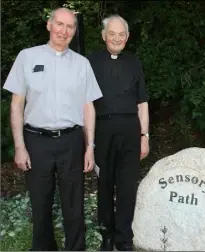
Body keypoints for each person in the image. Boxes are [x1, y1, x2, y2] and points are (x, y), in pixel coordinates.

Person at [2, 7, 102, 251]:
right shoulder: (27, 57)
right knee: (40, 204)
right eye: (59, 24)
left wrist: (89, 147)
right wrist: (19, 147)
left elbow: (89, 107)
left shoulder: (82, 64)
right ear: (49, 25)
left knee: (74, 206)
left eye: (70, 27)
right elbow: (16, 105)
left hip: (71, 142)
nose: (64, 30)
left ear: (74, 31)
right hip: (36, 142)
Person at [87, 14, 150, 251]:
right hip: (102, 130)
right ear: (104, 36)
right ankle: (107, 234)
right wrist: (89, 142)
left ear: (127, 37)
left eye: (121, 34)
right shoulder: (90, 62)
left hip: (131, 131)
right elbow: (85, 104)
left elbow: (142, 102)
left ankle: (124, 238)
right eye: (111, 34)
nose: (116, 38)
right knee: (104, 184)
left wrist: (145, 136)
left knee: (126, 186)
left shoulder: (134, 62)